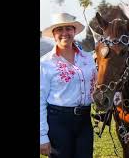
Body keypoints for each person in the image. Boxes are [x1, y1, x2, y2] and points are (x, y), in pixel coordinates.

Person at [40, 12, 97, 158]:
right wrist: (42, 136)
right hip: (58, 122)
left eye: (68, 29)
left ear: (74, 31)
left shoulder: (88, 58)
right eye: (59, 29)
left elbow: (98, 85)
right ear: (53, 34)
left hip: (84, 120)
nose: (64, 33)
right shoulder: (45, 63)